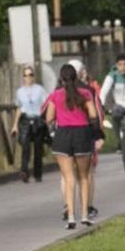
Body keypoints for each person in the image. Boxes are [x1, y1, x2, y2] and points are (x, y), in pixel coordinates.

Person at [45, 64, 103, 229]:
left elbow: (49, 118)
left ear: (61, 79)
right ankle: (85, 215)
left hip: (63, 136)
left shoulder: (55, 95)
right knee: (83, 177)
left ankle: (71, 217)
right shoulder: (84, 93)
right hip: (82, 135)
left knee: (68, 178)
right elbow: (93, 115)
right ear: (76, 77)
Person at [69, 59, 103, 220]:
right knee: (87, 173)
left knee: (68, 174)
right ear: (81, 72)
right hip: (86, 134)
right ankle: (87, 207)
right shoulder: (88, 91)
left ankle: (68, 208)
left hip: (65, 136)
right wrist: (99, 135)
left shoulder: (58, 91)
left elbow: (48, 114)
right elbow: (96, 114)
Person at [11, 67, 48, 183]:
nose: (28, 77)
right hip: (25, 120)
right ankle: (24, 171)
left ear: (34, 76)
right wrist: (15, 125)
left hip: (37, 120)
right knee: (25, 147)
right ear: (23, 77)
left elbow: (46, 104)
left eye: (31, 75)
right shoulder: (20, 92)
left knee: (38, 148)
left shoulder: (40, 89)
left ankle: (38, 173)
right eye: (26, 75)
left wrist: (47, 119)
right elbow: (18, 108)